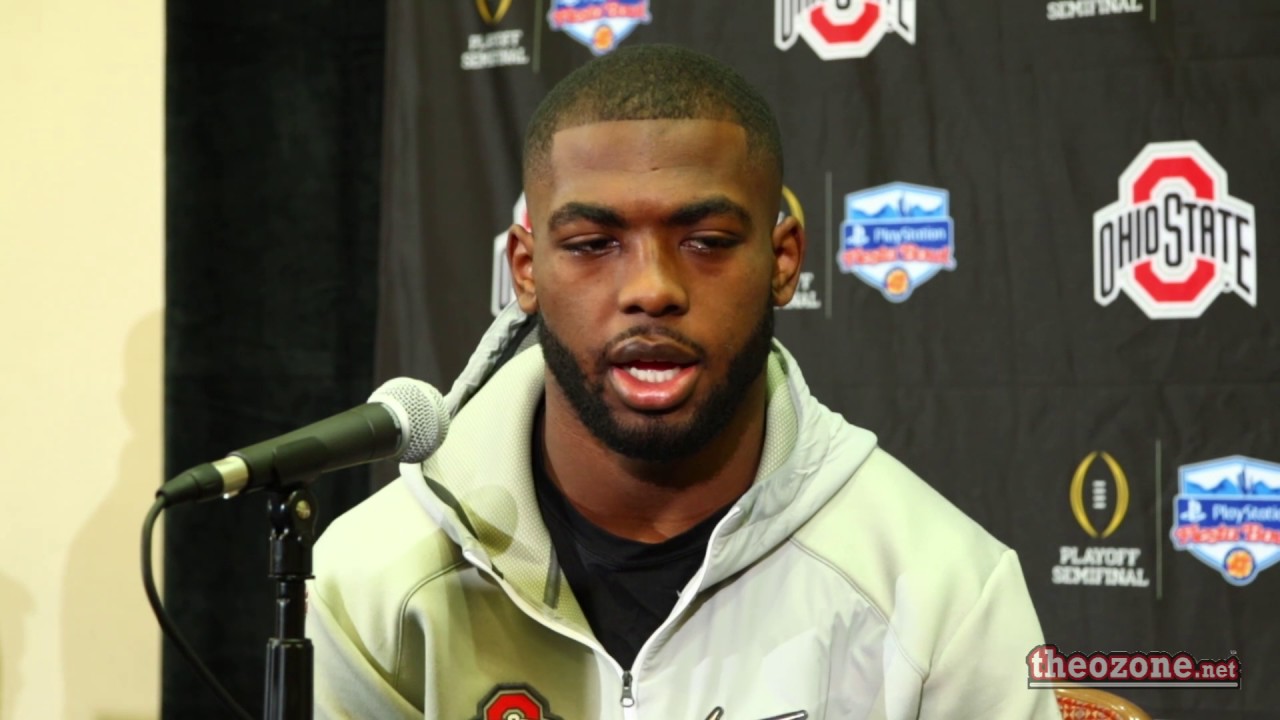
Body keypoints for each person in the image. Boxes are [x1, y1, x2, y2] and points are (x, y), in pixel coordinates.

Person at [307, 44, 1060, 719]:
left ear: (784, 260)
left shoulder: (940, 590)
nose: (653, 289)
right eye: (595, 244)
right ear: (527, 272)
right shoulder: (378, 576)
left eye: (705, 241)